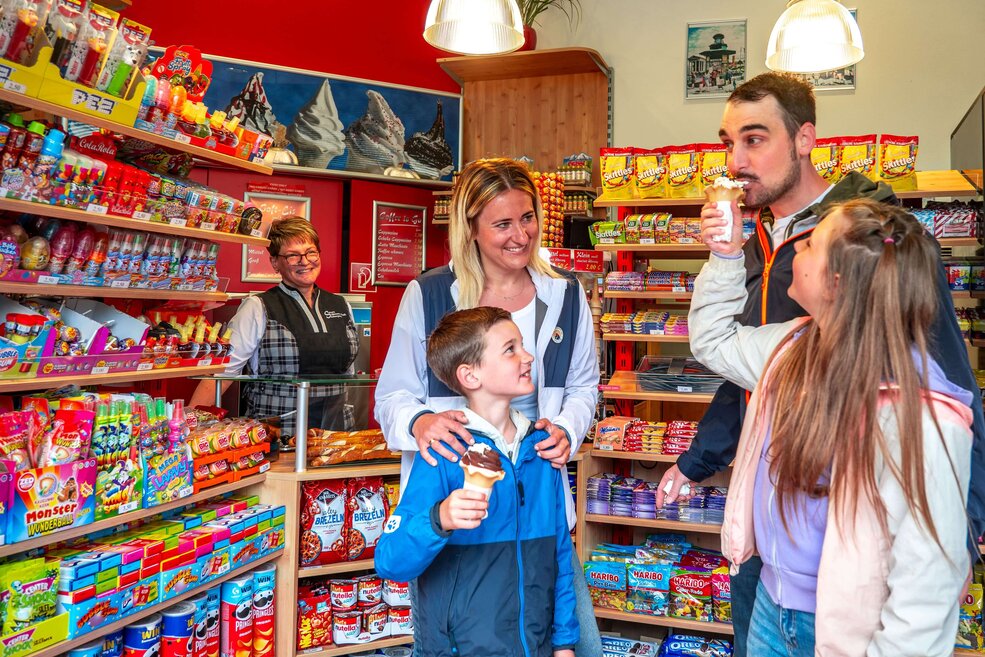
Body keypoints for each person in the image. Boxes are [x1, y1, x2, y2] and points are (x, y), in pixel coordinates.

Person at [655, 72, 985, 656]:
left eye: (754, 140)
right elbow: (743, 363)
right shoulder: (751, 238)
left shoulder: (872, 234)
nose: (736, 160)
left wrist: (967, 521)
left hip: (851, 547)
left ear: (805, 137)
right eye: (727, 142)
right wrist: (699, 458)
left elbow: (949, 378)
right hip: (772, 541)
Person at [689, 198, 972, 656]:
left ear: (836, 283)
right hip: (769, 604)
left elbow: (926, 588)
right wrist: (725, 255)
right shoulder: (791, 346)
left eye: (811, 246)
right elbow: (713, 340)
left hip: (849, 626)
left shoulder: (920, 415)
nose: (796, 250)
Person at [375, 158, 602, 656]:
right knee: (462, 629)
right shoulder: (431, 292)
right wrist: (421, 421)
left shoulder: (565, 294)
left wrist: (566, 427)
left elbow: (585, 384)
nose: (521, 235)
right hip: (458, 503)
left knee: (571, 635)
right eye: (502, 223)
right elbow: (391, 394)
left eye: (528, 218)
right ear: (471, 229)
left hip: (534, 490)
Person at [376, 306, 578, 657]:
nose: (527, 356)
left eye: (522, 345)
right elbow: (390, 561)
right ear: (470, 376)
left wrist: (563, 644)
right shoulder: (444, 450)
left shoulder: (542, 450)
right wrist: (440, 518)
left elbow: (559, 557)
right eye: (510, 349)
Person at [188, 216, 359, 439]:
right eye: (292, 255)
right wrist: (188, 425)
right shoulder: (258, 307)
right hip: (278, 437)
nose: (304, 261)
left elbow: (349, 374)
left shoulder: (340, 305)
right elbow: (223, 373)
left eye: (311, 252)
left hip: (335, 435)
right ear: (275, 262)